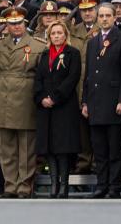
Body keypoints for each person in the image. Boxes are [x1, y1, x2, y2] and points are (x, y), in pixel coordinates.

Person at [0, 6, 47, 198]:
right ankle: (10, 186)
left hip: (26, 97)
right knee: (6, 149)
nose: (15, 27)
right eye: (11, 23)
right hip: (3, 99)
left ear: (24, 23)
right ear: (5, 25)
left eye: (18, 23)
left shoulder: (38, 45)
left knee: (26, 149)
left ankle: (24, 187)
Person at [83, 3, 121, 198]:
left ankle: (114, 187)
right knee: (100, 150)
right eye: (101, 16)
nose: (104, 19)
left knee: (114, 150)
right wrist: (85, 101)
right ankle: (101, 185)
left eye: (107, 16)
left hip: (113, 103)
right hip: (95, 103)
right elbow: (89, 75)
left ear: (114, 18)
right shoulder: (92, 42)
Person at [33, 20, 82, 198]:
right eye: (53, 33)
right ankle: (53, 184)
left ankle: (64, 185)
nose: (56, 36)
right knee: (50, 149)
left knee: (63, 149)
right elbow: (38, 79)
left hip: (64, 106)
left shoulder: (72, 53)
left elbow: (72, 78)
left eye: (59, 33)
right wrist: (41, 98)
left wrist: (55, 98)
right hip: (46, 109)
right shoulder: (45, 55)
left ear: (65, 35)